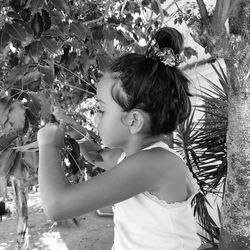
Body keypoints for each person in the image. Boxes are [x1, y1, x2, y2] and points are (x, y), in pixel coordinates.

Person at [37, 27, 201, 250]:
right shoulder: (132, 158)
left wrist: (48, 146)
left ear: (133, 121)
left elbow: (56, 206)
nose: (96, 116)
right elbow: (95, 156)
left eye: (102, 110)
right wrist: (77, 133)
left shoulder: (155, 164)